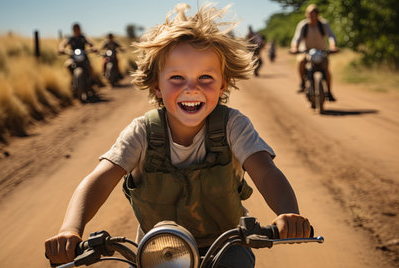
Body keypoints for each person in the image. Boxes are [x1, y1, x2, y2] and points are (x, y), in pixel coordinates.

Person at [45, 3, 312, 267]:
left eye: (205, 77)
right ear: (156, 86)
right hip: (158, 251)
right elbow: (100, 180)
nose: (191, 88)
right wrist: (71, 229)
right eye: (176, 78)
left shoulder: (234, 125)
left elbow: (265, 171)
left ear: (223, 85)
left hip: (227, 246)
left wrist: (288, 213)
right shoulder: (141, 132)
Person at [290, 4, 339, 101]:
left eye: (314, 14)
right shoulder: (303, 25)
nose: (312, 16)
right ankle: (302, 83)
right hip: (306, 51)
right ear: (306, 15)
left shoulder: (323, 24)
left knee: (326, 70)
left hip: (322, 52)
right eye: (310, 14)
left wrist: (333, 46)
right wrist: (294, 48)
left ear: (317, 14)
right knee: (301, 61)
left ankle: (329, 92)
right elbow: (296, 39)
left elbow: (331, 36)